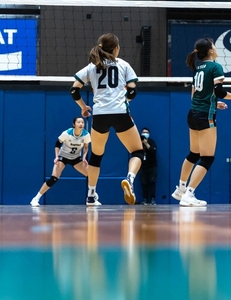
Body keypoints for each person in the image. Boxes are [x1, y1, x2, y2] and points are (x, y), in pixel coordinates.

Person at [70, 33, 143, 206]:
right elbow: (133, 91)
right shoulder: (123, 64)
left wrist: (83, 107)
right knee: (137, 152)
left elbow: (74, 90)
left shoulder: (91, 67)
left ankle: (91, 195)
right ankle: (130, 179)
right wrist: (124, 99)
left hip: (100, 115)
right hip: (120, 113)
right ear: (116, 48)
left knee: (96, 156)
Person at [172, 38, 231, 206]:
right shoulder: (215, 67)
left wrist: (214, 103)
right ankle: (189, 194)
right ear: (210, 51)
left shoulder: (197, 68)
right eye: (214, 46)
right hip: (205, 115)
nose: (215, 48)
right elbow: (219, 91)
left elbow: (195, 95)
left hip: (193, 113)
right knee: (207, 158)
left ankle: (181, 189)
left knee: (193, 154)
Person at [30, 117, 93, 206]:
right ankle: (36, 199)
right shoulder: (67, 133)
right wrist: (57, 157)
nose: (81, 124)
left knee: (91, 176)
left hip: (75, 158)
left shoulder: (86, 135)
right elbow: (57, 144)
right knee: (54, 178)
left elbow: (86, 147)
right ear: (74, 124)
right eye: (78, 122)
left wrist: (84, 157)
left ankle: (92, 197)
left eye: (82, 122)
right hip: (63, 156)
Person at [138, 127, 158, 205]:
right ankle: (145, 199)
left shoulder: (151, 142)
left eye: (146, 133)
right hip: (143, 166)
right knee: (144, 183)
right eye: (143, 132)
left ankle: (153, 199)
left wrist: (146, 144)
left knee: (152, 182)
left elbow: (153, 151)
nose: (145, 134)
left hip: (152, 166)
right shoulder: (139, 142)